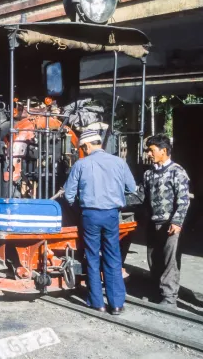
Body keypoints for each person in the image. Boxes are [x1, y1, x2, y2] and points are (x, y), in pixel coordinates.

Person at [63, 130, 136, 315]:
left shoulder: (81, 164)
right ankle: (117, 304)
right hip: (112, 214)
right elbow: (132, 188)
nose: (82, 151)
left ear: (87, 146)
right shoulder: (119, 162)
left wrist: (80, 210)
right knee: (113, 256)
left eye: (82, 148)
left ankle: (97, 303)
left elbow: (69, 195)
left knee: (92, 256)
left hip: (90, 215)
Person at [138, 134, 190, 307]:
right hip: (153, 224)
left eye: (151, 150)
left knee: (170, 261)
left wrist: (177, 222)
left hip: (170, 225)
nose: (149, 154)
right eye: (148, 151)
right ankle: (157, 292)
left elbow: (183, 200)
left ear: (164, 151)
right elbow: (141, 197)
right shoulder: (148, 174)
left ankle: (169, 298)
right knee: (154, 258)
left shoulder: (178, 172)